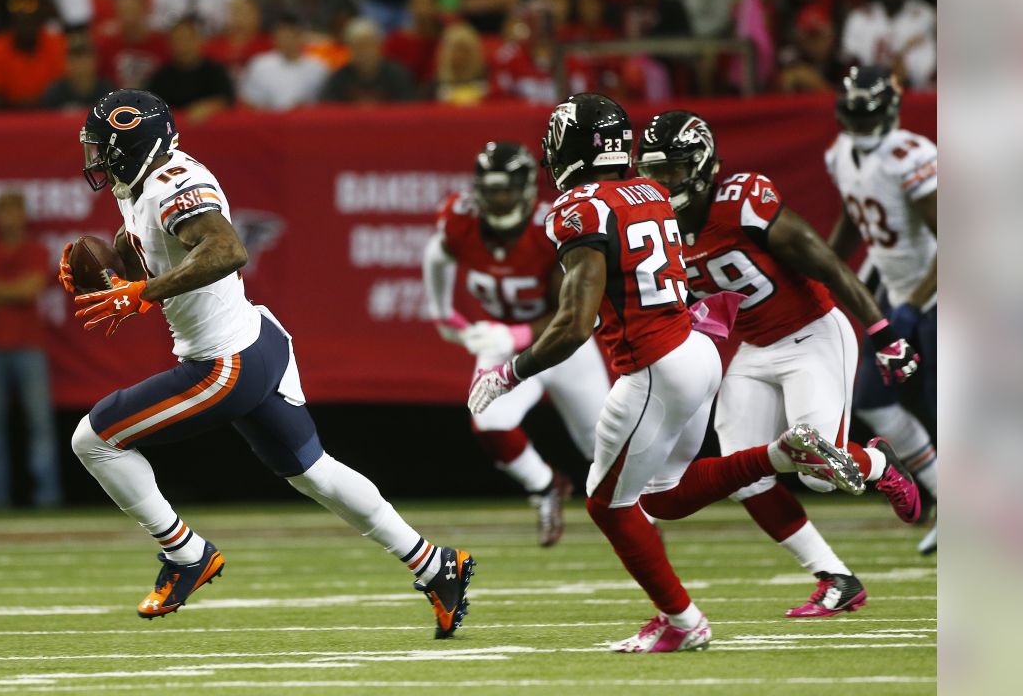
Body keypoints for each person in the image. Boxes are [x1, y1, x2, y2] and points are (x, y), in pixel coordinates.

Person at [61, 90, 474, 638]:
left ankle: (186, 555)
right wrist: (114, 274)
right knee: (315, 473)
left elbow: (227, 249)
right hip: (257, 343)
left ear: (132, 144)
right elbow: (153, 246)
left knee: (95, 440)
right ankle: (434, 565)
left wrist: (142, 293)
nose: (96, 160)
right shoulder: (143, 185)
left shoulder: (173, 184)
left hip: (225, 362)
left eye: (103, 149)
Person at [468, 93, 873, 653]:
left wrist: (512, 371)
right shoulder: (652, 192)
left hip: (656, 365)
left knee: (605, 504)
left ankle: (683, 622)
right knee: (663, 497)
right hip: (699, 351)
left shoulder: (579, 209)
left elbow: (575, 321)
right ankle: (782, 454)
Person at [634, 109, 922, 617]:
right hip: (754, 349)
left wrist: (881, 332)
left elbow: (824, 260)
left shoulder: (741, 201)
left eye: (674, 170)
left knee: (817, 471)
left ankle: (878, 462)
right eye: (655, 172)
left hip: (813, 334)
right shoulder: (656, 227)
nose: (664, 183)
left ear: (702, 166)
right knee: (745, 474)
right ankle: (835, 577)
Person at [423, 142, 604, 546]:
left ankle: (638, 511)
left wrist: (518, 335)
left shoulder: (551, 226)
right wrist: (441, 313)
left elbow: (573, 311)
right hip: (502, 342)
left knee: (599, 441)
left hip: (562, 344)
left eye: (505, 188)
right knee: (488, 420)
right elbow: (436, 254)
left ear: (524, 188)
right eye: (490, 188)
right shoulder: (462, 220)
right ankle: (545, 486)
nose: (497, 197)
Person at [826, 66, 939, 555]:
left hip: (938, 296)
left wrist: (914, 302)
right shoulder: (839, 156)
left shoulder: (909, 155)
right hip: (900, 295)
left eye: (865, 113)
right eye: (853, 112)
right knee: (871, 398)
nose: (860, 122)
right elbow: (856, 217)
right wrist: (824, 265)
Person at [0, 191, 61, 509]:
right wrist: (12, 290)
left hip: (28, 347)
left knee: (39, 425)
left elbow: (31, 289)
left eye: (14, 212)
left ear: (23, 217)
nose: (8, 219)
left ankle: (46, 496)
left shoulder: (36, 250)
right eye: (3, 213)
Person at [0, 0, 67, 109]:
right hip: (11, 118)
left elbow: (68, 90)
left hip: (50, 116)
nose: (27, 28)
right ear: (12, 26)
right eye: (22, 23)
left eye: (31, 22)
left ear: (39, 24)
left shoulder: (57, 44)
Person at [840, 0, 936, 88]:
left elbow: (932, 65)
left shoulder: (925, 14)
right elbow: (849, 63)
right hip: (867, 90)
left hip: (915, 91)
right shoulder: (859, 17)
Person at [146, 18, 235, 122]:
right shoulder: (161, 75)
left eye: (188, 38)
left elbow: (227, 99)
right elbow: (151, 105)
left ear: (199, 40)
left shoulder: (215, 70)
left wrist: (209, 106)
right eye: (177, 39)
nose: (183, 44)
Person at [239, 15, 329, 111]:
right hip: (268, 120)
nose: (286, 40)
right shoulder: (260, 65)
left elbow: (326, 103)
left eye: (290, 35)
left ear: (300, 36)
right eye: (281, 36)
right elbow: (249, 102)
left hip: (306, 120)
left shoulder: (319, 68)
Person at [319, 18, 416, 104]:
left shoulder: (395, 74)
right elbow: (329, 109)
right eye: (357, 46)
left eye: (367, 44)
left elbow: (409, 108)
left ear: (379, 45)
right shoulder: (340, 78)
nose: (363, 51)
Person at [94, 0, 170, 90]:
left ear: (144, 11)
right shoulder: (106, 44)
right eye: (124, 11)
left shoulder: (162, 43)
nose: (129, 17)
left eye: (132, 10)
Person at [203, 0, 273, 81]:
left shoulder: (270, 45)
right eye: (237, 12)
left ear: (258, 16)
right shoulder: (212, 46)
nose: (241, 18)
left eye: (247, 13)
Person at [40, 38, 116, 110]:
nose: (80, 66)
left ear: (96, 61)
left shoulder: (108, 92)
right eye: (75, 60)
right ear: (66, 63)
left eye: (85, 59)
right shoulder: (55, 92)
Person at [430, 22, 490, 106]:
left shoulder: (489, 79)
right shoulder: (433, 86)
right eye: (456, 50)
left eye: (465, 50)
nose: (460, 55)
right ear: (446, 54)